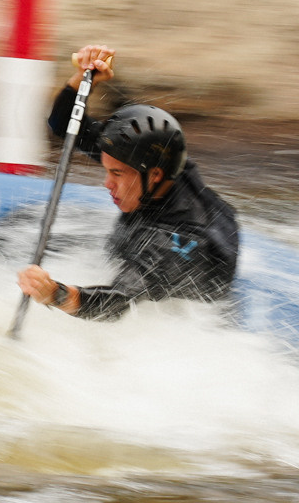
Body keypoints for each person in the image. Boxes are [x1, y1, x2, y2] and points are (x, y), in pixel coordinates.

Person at [15, 44, 240, 321]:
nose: (106, 183)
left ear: (154, 175)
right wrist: (84, 78)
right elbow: (64, 124)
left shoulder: (174, 242)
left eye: (117, 174)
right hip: (139, 249)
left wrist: (54, 294)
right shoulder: (149, 162)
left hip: (178, 311)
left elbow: (116, 305)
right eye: (108, 171)